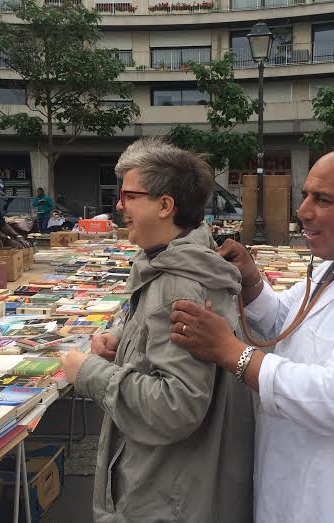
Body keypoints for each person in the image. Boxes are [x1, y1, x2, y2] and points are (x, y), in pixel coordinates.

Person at [168, 149, 334, 522]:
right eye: (306, 195)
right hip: (287, 489)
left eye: (322, 200)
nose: (303, 211)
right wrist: (251, 281)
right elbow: (284, 324)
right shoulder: (333, 268)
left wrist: (230, 352)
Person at [60, 138, 254, 523]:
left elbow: (175, 406)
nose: (119, 206)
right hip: (171, 482)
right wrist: (125, 341)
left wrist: (88, 373)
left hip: (166, 496)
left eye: (129, 196)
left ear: (165, 206)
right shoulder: (168, 263)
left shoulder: (178, 284)